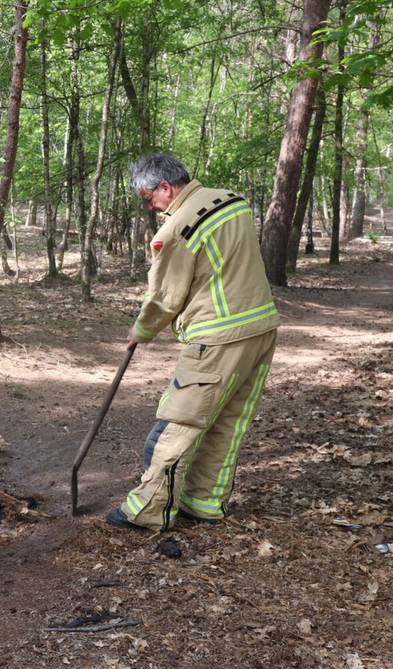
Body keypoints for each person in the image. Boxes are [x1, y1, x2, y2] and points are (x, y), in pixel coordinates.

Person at [105, 153, 279, 532]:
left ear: (165, 188)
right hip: (262, 328)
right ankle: (203, 501)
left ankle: (148, 509)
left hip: (218, 338)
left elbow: (165, 295)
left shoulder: (178, 228)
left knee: (178, 424)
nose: (150, 207)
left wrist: (143, 330)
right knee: (226, 423)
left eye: (149, 198)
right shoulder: (234, 201)